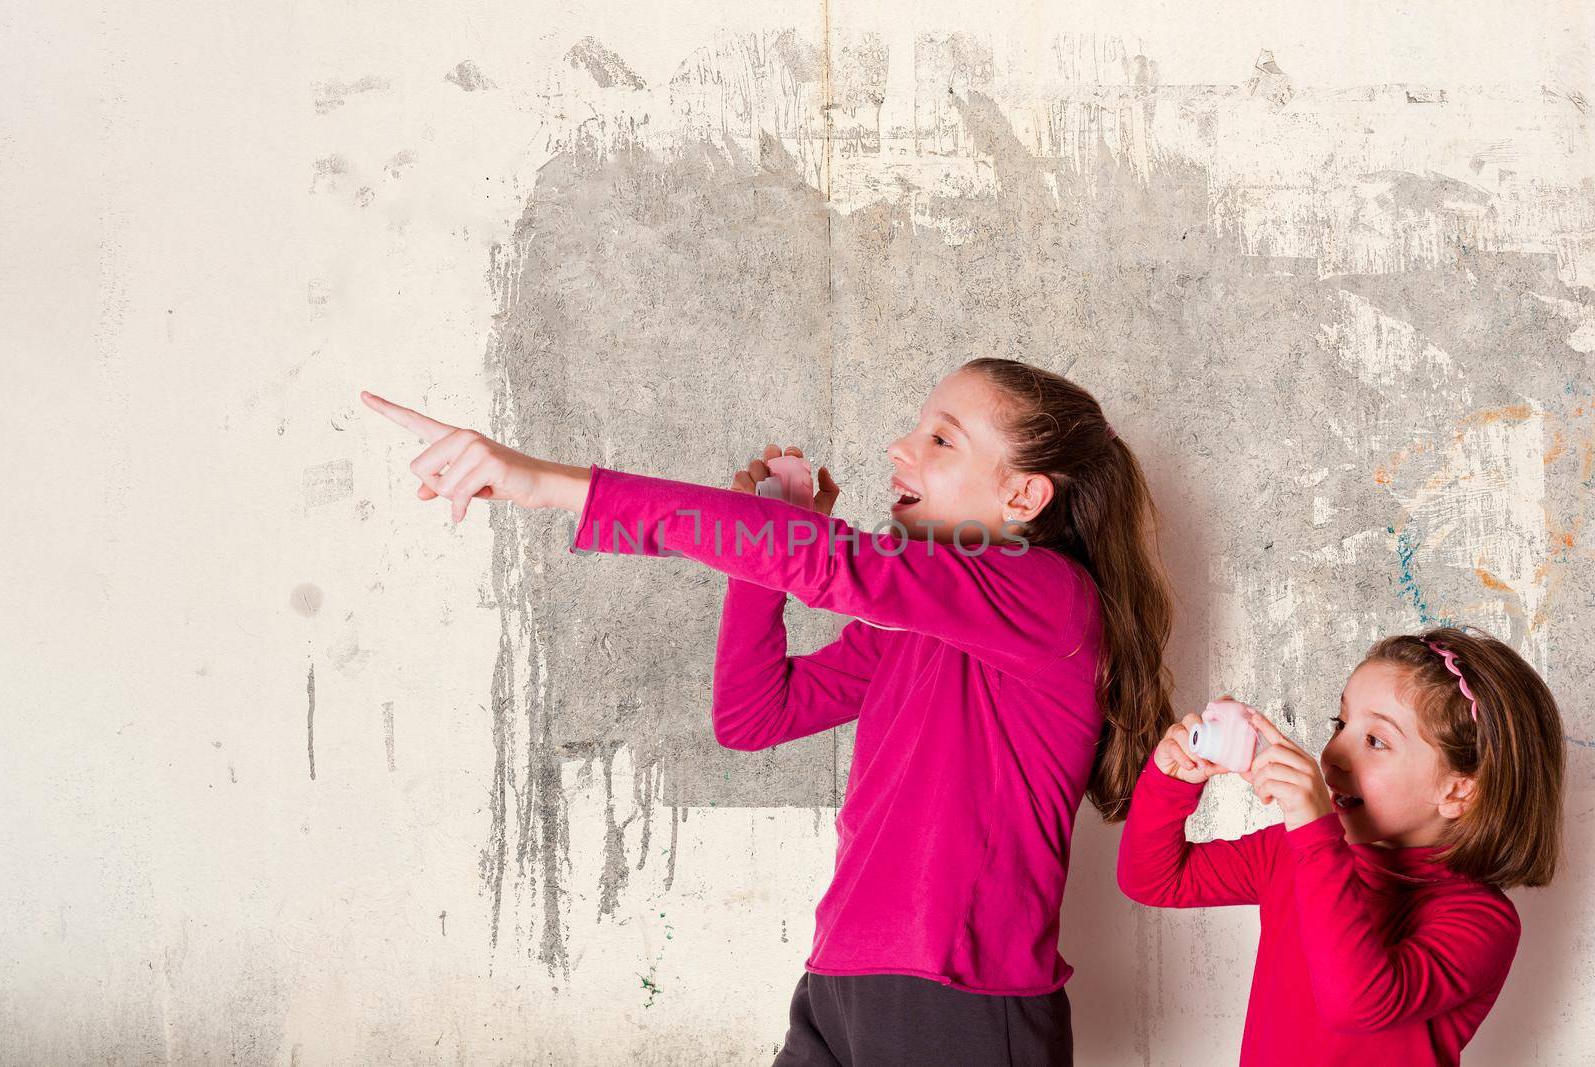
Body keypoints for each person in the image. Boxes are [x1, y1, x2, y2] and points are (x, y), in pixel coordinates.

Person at [362, 356, 1177, 1065]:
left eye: (940, 438)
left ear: (1025, 495)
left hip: (956, 995)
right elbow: (754, 713)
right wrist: (769, 550)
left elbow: (841, 565)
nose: (900, 448)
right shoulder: (918, 630)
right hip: (840, 980)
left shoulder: (1050, 599)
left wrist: (548, 483)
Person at [1116, 626, 1566, 1066]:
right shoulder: (1292, 853)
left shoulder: (1480, 921)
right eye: (1342, 723)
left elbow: (1357, 1004)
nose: (1332, 754)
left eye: (1376, 741)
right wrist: (1168, 783)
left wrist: (1314, 833)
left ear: (1457, 792)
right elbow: (1153, 881)